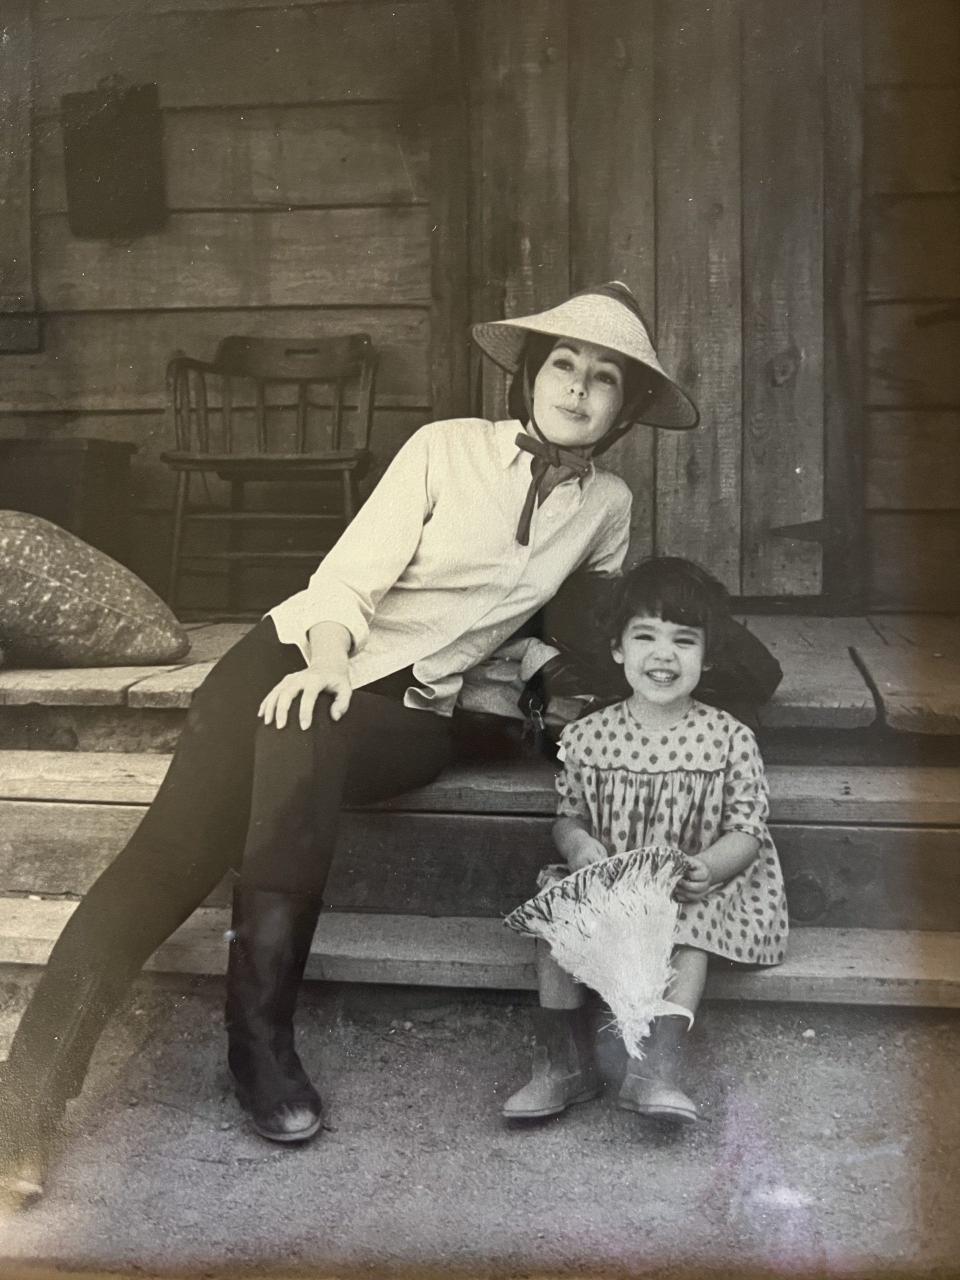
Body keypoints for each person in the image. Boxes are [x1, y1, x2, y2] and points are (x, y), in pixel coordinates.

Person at [0, 282, 702, 1208]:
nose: (576, 388)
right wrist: (327, 664)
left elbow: (551, 621)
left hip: (409, 710)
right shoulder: (444, 449)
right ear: (530, 373)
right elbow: (347, 579)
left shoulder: (606, 505)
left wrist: (537, 680)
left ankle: (256, 1050)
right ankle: (27, 1105)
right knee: (170, 852)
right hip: (295, 657)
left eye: (604, 378)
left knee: (307, 738)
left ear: (626, 411)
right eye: (563, 364)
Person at [501, 557, 789, 1126]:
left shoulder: (730, 738)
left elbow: (748, 830)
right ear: (618, 649)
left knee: (689, 931)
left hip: (694, 888)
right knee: (559, 919)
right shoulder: (587, 735)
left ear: (706, 658)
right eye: (645, 637)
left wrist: (710, 865)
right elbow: (569, 814)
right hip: (617, 882)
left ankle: (655, 1068)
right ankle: (563, 1063)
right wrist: (579, 845)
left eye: (684, 641)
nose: (664, 655)